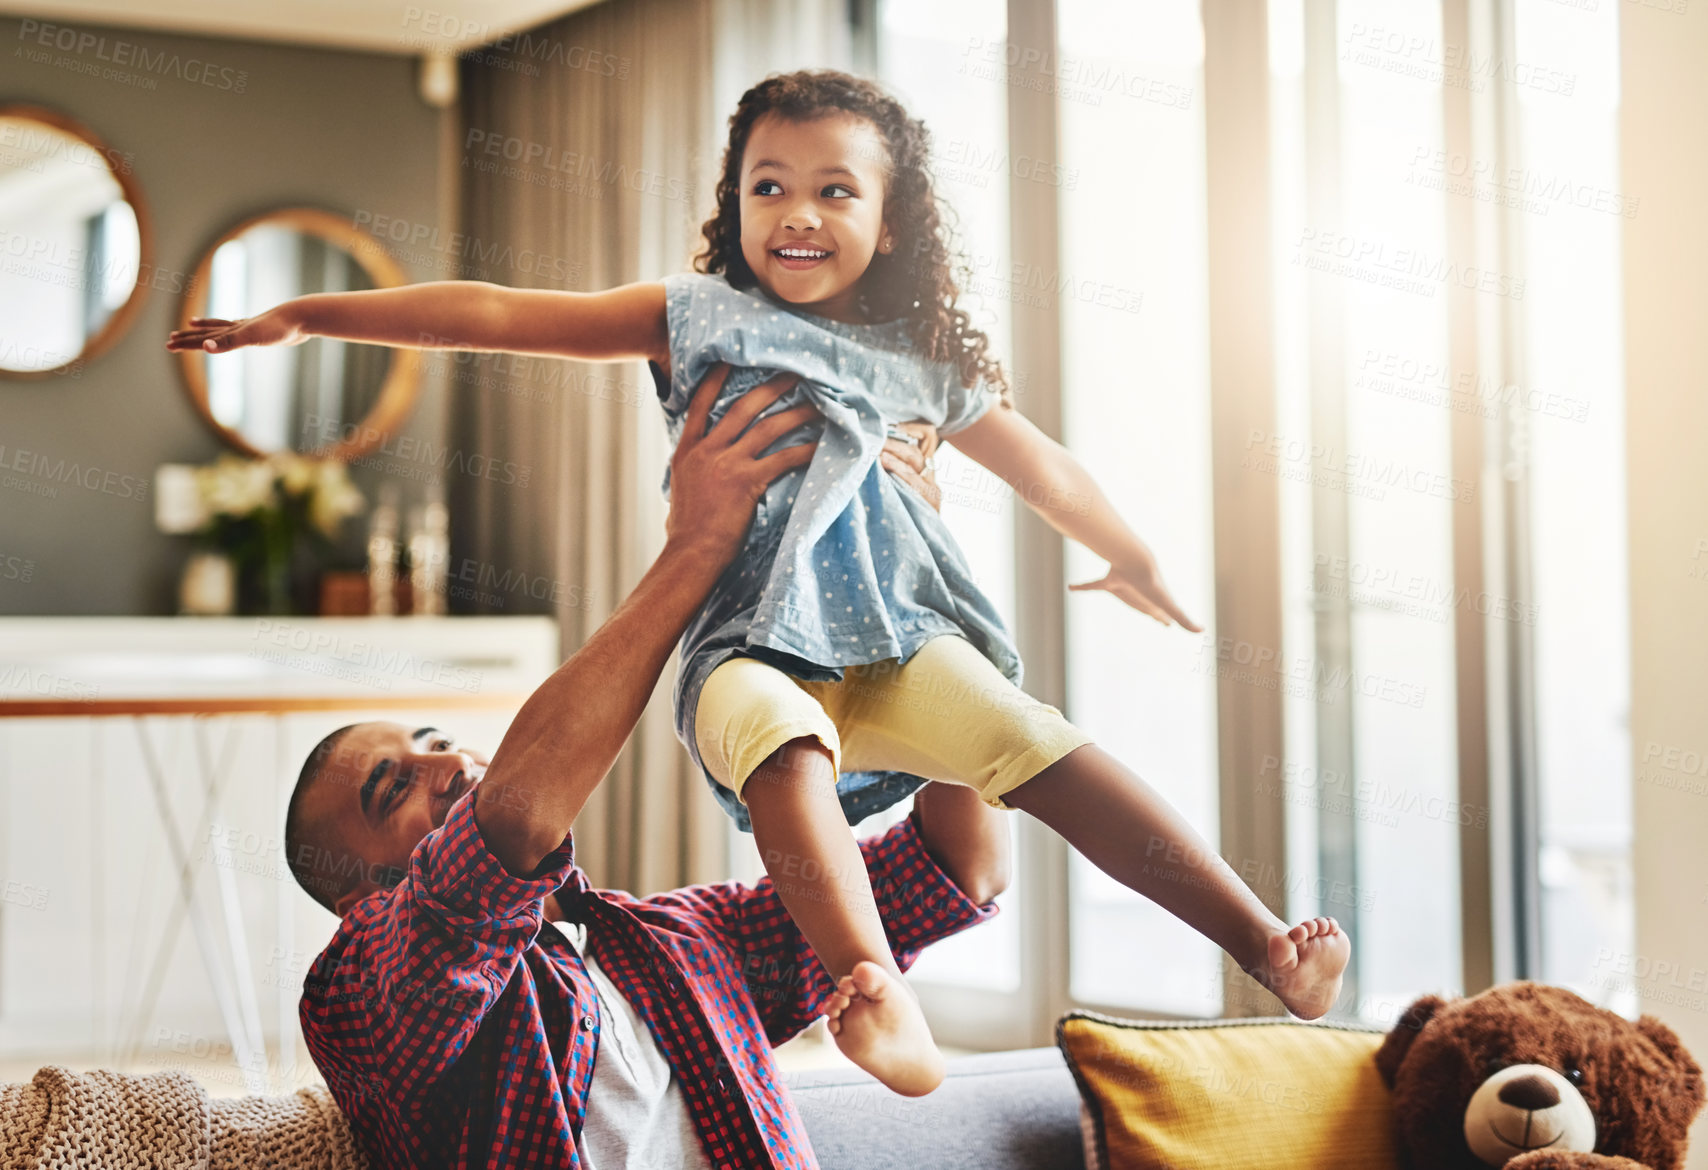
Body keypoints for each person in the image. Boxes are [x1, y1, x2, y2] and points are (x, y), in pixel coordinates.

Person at [168, 68, 1349, 1099]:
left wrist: (1130, 555)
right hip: (750, 644)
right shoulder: (694, 321)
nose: (797, 212)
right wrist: (305, 317)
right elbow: (493, 312)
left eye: (836, 189)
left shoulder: (917, 368)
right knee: (783, 748)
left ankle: (1264, 946)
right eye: (767, 185)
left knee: (1036, 745)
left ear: (890, 224)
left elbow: (1043, 466)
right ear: (732, 209)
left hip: (899, 641)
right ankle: (866, 987)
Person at [273, 367, 1009, 1170]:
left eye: (434, 740)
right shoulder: (353, 998)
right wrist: (699, 543)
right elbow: (506, 832)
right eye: (394, 789)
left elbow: (957, 868)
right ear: (355, 903)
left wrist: (920, 587)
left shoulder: (689, 942)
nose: (445, 762)